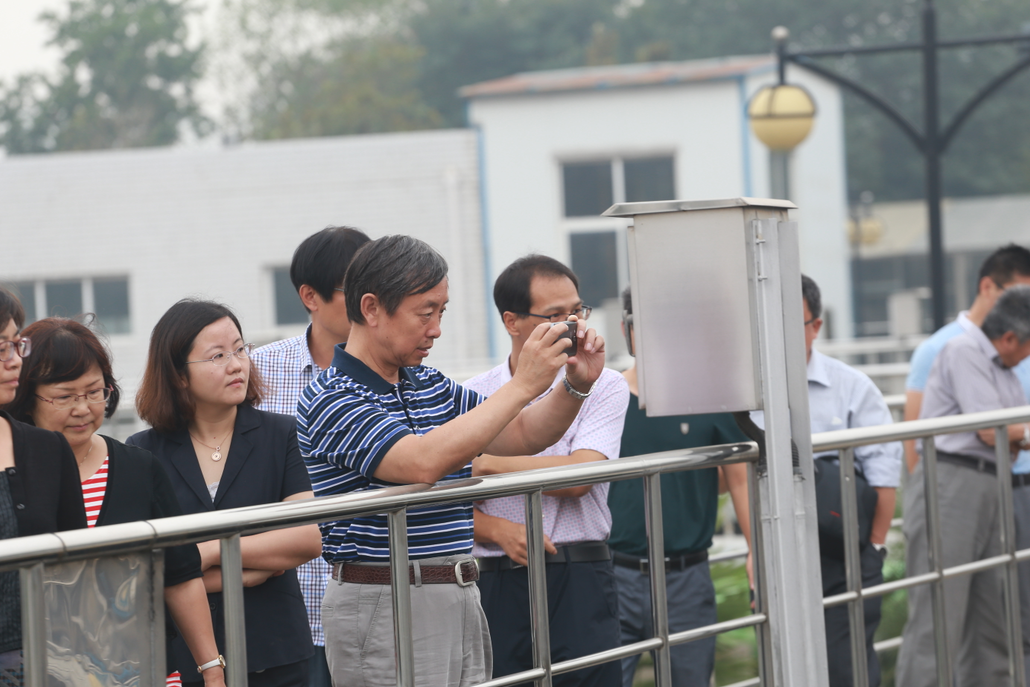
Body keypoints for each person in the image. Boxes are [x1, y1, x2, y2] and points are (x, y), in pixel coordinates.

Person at [297, 235, 608, 687]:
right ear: (371, 308)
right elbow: (421, 463)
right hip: (385, 597)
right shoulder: (331, 397)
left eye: (441, 312)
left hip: (456, 588)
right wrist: (524, 384)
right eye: (426, 313)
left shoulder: (427, 382)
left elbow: (522, 433)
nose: (437, 329)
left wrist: (576, 385)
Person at [4, 317, 226, 687]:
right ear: (27, 397)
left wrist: (212, 670)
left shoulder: (139, 468)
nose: (83, 408)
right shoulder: (12, 475)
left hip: (143, 669)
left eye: (94, 392)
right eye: (64, 396)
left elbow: (181, 575)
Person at [128, 299, 322, 687]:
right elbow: (145, 569)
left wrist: (209, 553)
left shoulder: (281, 434)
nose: (237, 365)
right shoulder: (143, 451)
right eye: (218, 356)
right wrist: (247, 571)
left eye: (240, 349)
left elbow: (307, 538)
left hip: (274, 650)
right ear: (179, 375)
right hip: (183, 659)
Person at [463, 254, 627, 686]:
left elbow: (580, 476)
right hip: (496, 576)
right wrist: (495, 529)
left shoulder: (603, 381)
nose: (573, 324)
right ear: (512, 321)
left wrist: (489, 464)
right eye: (555, 315)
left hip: (579, 572)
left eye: (577, 310)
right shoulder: (472, 394)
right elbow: (446, 493)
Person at [752, 275, 900, 687]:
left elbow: (884, 476)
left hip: (843, 552)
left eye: (790, 322)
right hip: (775, 549)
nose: (776, 334)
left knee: (847, 666)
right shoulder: (747, 392)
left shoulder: (851, 387)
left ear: (816, 325)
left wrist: (873, 551)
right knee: (781, 663)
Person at [608, 285, 752, 687]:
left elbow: (740, 478)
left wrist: (756, 554)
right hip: (616, 571)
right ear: (626, 328)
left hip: (687, 576)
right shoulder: (606, 396)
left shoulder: (709, 395)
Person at [900, 244, 1030, 675]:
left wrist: (1015, 435)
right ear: (1010, 337)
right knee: (938, 620)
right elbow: (991, 429)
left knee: (993, 620)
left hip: (990, 484)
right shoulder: (961, 350)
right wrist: (1016, 435)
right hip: (952, 484)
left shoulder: (1003, 370)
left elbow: (1011, 434)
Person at [250, 225, 370, 687]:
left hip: (374, 604)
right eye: (352, 292)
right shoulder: (259, 371)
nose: (369, 303)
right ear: (309, 296)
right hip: (285, 604)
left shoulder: (402, 372)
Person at [0, 288, 87, 687]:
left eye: (16, 344)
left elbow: (77, 577)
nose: (14, 359)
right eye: (1, 347)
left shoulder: (48, 448)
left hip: (49, 665)